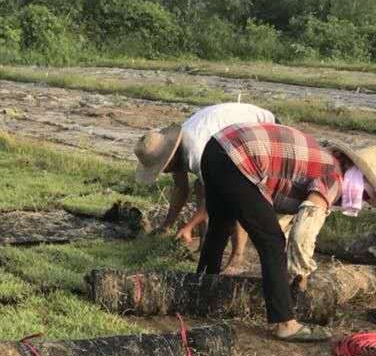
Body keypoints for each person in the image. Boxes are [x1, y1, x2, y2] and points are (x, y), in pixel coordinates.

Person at [196, 122, 376, 342]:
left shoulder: (322, 162)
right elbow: (303, 233)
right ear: (361, 183)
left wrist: (282, 266)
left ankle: (200, 293)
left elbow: (281, 217)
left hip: (217, 147)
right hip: (240, 156)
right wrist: (302, 272)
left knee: (220, 227)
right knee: (272, 243)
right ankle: (286, 324)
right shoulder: (333, 176)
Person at [134, 101, 276, 268]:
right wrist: (167, 225)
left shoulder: (196, 151)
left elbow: (212, 200)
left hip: (260, 130)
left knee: (238, 193)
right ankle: (203, 246)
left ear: (169, 157)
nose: (163, 170)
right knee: (200, 186)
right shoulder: (174, 149)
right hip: (229, 134)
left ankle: (237, 256)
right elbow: (181, 188)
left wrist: (189, 226)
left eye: (162, 166)